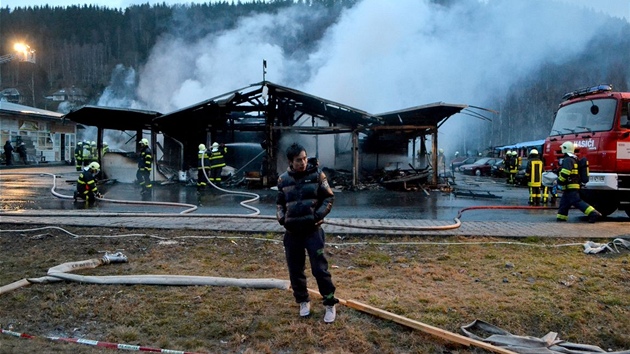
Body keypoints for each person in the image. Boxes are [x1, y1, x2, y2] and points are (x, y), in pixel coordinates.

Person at [276, 143, 339, 323]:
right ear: (290, 162)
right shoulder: (283, 180)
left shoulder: (318, 175)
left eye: (304, 158)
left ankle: (329, 303)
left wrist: (316, 216)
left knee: (320, 269)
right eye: (298, 160)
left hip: (313, 232)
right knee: (295, 270)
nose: (303, 162)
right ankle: (303, 301)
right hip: (292, 233)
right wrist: (282, 219)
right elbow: (279, 203)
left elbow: (329, 197)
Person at [556, 141, 602, 223]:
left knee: (576, 201)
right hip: (572, 185)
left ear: (565, 149)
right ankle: (561, 217)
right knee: (564, 202)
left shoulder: (568, 160)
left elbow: (566, 172)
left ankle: (593, 213)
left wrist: (559, 180)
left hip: (571, 185)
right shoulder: (574, 159)